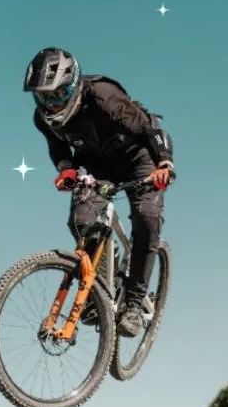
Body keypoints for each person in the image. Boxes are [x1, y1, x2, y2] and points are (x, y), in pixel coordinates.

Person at [23, 47, 175, 338]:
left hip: (138, 158)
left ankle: (133, 303)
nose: (51, 105)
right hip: (96, 164)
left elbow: (151, 130)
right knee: (82, 222)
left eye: (57, 96)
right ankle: (101, 288)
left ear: (73, 84)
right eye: (44, 97)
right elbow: (58, 148)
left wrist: (164, 163)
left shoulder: (104, 97)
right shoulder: (41, 118)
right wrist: (66, 168)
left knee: (146, 218)